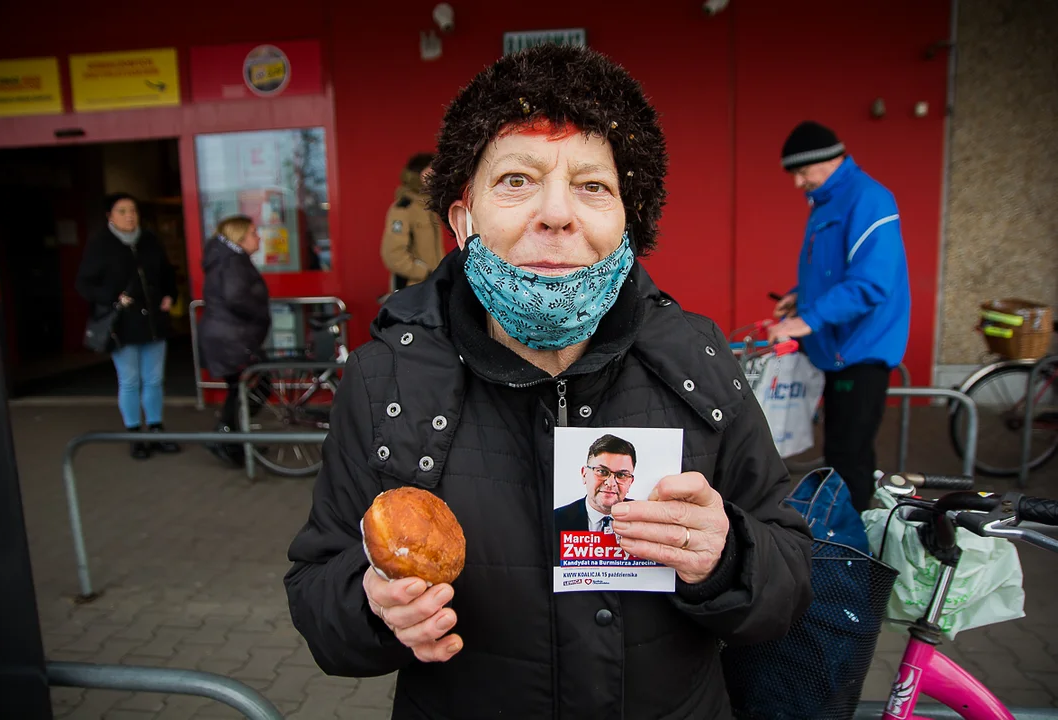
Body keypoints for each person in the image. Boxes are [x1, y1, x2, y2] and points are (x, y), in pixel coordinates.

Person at [285, 45, 812, 720]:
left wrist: (729, 555)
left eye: (592, 186)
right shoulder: (384, 377)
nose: (556, 214)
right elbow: (318, 599)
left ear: (629, 222)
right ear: (462, 220)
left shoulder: (698, 363)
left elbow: (792, 581)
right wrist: (372, 605)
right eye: (516, 180)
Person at [769, 121, 911, 513]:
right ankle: (844, 534)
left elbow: (871, 282)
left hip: (861, 349)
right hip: (836, 348)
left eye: (801, 172)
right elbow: (834, 274)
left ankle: (855, 549)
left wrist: (808, 319)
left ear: (829, 160)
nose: (798, 183)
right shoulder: (827, 202)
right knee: (838, 450)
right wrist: (800, 300)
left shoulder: (870, 199)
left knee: (850, 456)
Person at [76, 193, 180, 460]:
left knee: (155, 379)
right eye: (122, 211)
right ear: (110, 216)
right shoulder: (101, 244)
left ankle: (156, 429)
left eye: (133, 210)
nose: (129, 215)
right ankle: (135, 435)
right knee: (130, 380)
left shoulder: (149, 240)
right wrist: (113, 296)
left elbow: (167, 272)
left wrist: (170, 295)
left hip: (153, 321)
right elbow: (84, 284)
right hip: (123, 323)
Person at [197, 216, 272, 466]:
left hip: (229, 336)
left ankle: (231, 437)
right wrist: (260, 311)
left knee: (240, 389)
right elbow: (235, 297)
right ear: (239, 237)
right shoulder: (232, 261)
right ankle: (227, 435)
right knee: (252, 385)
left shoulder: (227, 259)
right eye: (253, 232)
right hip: (231, 337)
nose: (258, 237)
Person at [380, 153, 443, 292]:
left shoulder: (428, 208)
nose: (434, 177)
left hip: (431, 288)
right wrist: (424, 272)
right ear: (415, 175)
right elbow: (393, 255)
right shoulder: (403, 208)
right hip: (411, 290)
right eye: (429, 172)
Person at [554, 434, 636, 533]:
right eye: (602, 471)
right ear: (584, 474)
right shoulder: (555, 520)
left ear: (630, 482)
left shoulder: (643, 521)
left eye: (621, 475)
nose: (610, 483)